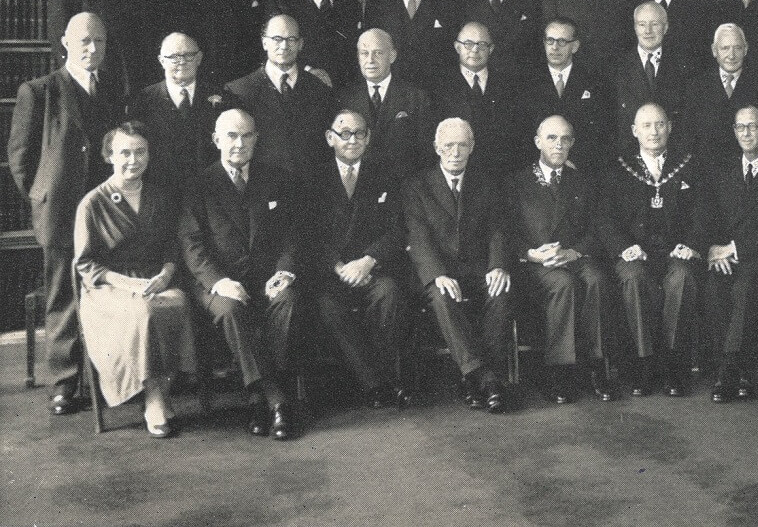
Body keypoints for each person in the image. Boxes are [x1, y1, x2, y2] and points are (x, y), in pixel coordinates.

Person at [8, 12, 124, 415]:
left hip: (106, 212)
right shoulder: (38, 91)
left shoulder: (111, 88)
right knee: (63, 296)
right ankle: (64, 382)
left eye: (101, 42)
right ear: (65, 44)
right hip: (60, 212)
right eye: (85, 42)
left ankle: (106, 376)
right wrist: (43, 196)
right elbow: (21, 159)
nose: (93, 50)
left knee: (105, 292)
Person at [179, 108, 303, 440]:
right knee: (231, 310)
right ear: (217, 140)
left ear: (256, 139)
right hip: (215, 282)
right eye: (231, 136)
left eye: (247, 135)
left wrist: (284, 272)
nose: (239, 143)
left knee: (287, 301)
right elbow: (192, 246)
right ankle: (277, 399)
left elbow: (292, 234)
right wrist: (220, 282)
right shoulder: (197, 185)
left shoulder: (277, 178)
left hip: (267, 278)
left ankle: (256, 400)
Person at [73, 121, 197, 437]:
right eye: (124, 153)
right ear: (109, 156)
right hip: (108, 288)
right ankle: (155, 399)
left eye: (140, 152)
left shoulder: (160, 195)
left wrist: (167, 273)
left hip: (154, 279)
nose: (133, 160)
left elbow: (172, 245)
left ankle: (163, 390)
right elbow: (85, 264)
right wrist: (129, 285)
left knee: (177, 301)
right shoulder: (93, 203)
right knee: (142, 311)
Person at [402, 118, 512, 414]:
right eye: (449, 145)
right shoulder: (417, 186)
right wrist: (437, 274)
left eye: (462, 145)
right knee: (443, 295)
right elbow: (418, 236)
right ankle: (485, 379)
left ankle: (470, 378)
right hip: (438, 271)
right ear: (437, 148)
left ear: (472, 147)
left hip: (478, 269)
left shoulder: (486, 183)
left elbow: (497, 230)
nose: (455, 152)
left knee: (500, 293)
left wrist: (498, 266)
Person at [505, 115, 616, 404]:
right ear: (537, 142)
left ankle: (597, 367)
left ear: (573, 143)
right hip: (535, 264)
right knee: (563, 284)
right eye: (552, 138)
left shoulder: (583, 181)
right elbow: (505, 233)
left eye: (565, 139)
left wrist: (573, 252)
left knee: (596, 279)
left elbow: (598, 229)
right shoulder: (516, 183)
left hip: (573, 256)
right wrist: (531, 254)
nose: (559, 144)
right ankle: (559, 371)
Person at [691, 105, 758, 402]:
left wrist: (736, 248)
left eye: (752, 126)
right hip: (723, 256)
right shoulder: (721, 171)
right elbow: (705, 216)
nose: (747, 133)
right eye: (740, 127)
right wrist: (713, 249)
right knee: (714, 287)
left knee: (745, 288)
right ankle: (742, 370)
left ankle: (730, 370)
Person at [311, 109, 413, 409]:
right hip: (332, 271)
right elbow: (308, 234)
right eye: (344, 133)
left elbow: (397, 229)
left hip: (372, 268)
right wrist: (339, 266)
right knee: (327, 306)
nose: (352, 139)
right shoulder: (313, 179)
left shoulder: (386, 174)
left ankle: (373, 378)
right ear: (330, 138)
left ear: (368, 138)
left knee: (389, 293)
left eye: (359, 133)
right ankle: (376, 383)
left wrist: (368, 261)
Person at [599, 103, 700, 397]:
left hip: (674, 252)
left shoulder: (688, 164)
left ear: (669, 127)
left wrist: (691, 244)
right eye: (646, 126)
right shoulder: (618, 168)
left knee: (681, 278)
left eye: (659, 124)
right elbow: (604, 217)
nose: (653, 132)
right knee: (633, 279)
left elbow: (703, 212)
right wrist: (624, 247)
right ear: (634, 131)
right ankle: (642, 365)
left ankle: (672, 365)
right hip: (635, 252)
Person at [224, 14, 336, 183]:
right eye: (277, 38)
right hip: (261, 193)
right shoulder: (239, 91)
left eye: (291, 39)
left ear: (300, 44)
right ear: (264, 42)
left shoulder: (320, 90)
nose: (284, 45)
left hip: (310, 193)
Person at [127, 32, 229, 190]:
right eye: (174, 56)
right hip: (161, 192)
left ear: (199, 58)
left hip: (211, 192)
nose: (182, 62)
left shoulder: (222, 99)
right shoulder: (143, 101)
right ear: (161, 61)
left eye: (189, 55)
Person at [518, 17, 614, 175]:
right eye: (550, 40)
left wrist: (572, 162)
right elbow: (521, 132)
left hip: (581, 170)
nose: (554, 47)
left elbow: (601, 132)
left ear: (575, 46)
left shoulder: (594, 82)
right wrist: (547, 163)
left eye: (562, 41)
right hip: (537, 170)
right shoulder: (527, 82)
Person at [337, 28, 434, 179]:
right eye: (364, 53)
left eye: (378, 53)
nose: (370, 60)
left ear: (392, 56)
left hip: (404, 191)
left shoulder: (417, 98)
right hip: (360, 190)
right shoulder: (345, 99)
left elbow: (426, 155)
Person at [362, 0, 459, 90]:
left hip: (433, 91)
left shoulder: (446, 5)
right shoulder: (377, 4)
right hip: (392, 90)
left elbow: (451, 56)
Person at [430, 21, 521, 175]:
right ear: (457, 47)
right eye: (468, 44)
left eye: (482, 45)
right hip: (459, 174)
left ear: (491, 49)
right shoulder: (439, 87)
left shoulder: (508, 85)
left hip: (502, 173)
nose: (475, 50)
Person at [681, 23, 758, 174]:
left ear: (746, 49)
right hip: (705, 174)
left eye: (737, 48)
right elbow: (687, 138)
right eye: (725, 48)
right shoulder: (696, 87)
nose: (731, 55)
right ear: (714, 51)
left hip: (748, 174)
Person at [610, 1, 690, 155]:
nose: (648, 31)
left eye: (654, 24)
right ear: (634, 28)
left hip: (673, 155)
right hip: (627, 155)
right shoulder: (616, 67)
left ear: (665, 28)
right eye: (642, 24)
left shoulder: (683, 66)